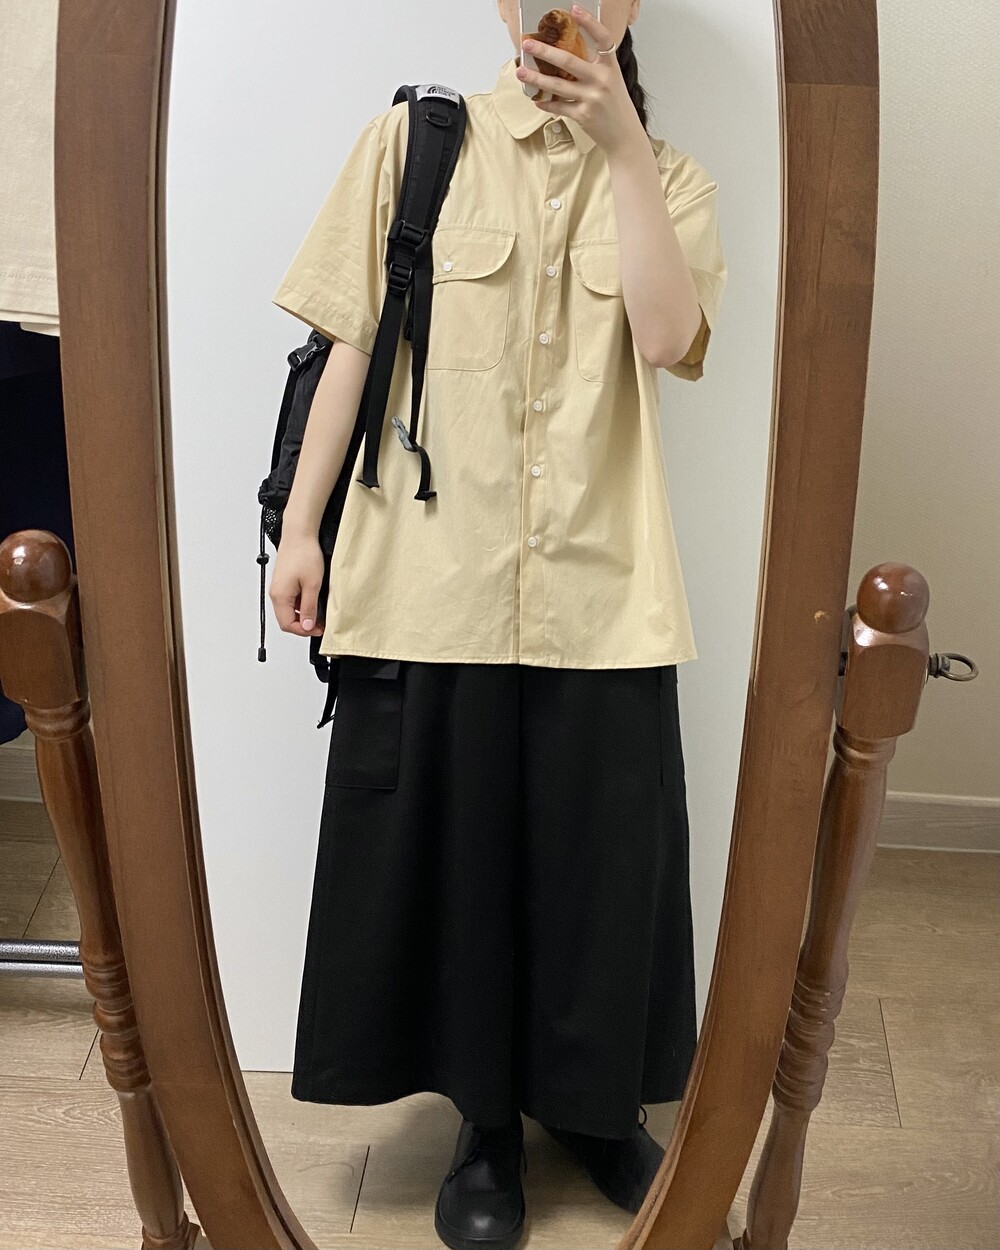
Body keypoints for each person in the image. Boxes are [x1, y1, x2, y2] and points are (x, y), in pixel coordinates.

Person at [269, 2, 727, 1247]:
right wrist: (300, 525)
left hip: (603, 590)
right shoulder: (416, 144)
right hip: (434, 578)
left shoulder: (673, 179)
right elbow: (349, 341)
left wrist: (623, 146)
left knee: (602, 873)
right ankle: (483, 1126)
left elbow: (667, 337)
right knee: (462, 870)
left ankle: (593, 1109)